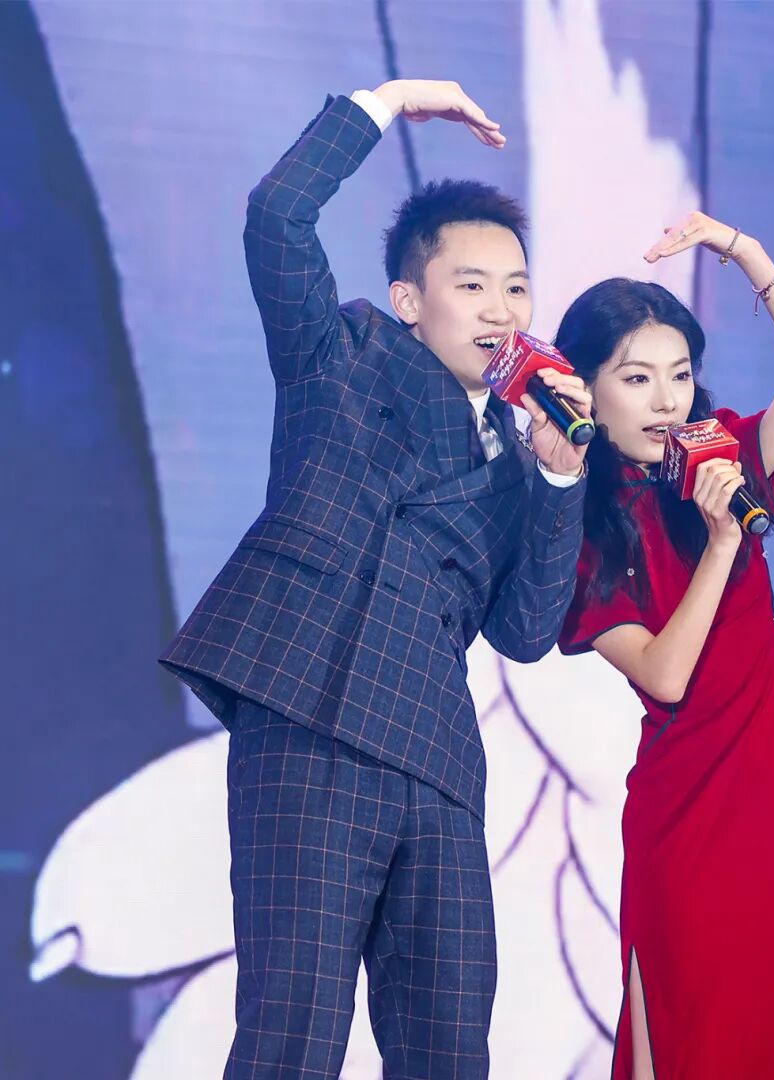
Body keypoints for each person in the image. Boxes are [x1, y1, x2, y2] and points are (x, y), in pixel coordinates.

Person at [160, 79, 591, 1079]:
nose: (501, 310)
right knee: (294, 1032)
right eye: (472, 285)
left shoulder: (523, 459)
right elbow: (277, 215)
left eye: (517, 289)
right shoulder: (342, 351)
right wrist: (386, 102)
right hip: (311, 718)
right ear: (410, 301)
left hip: (436, 758)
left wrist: (563, 477)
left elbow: (526, 631)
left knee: (448, 1049)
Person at [554, 214, 774, 1078]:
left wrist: (746, 252)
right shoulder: (583, 534)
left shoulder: (725, 460)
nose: (666, 400)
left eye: (680, 375)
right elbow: (665, 675)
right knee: (695, 1029)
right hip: (683, 818)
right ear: (586, 391)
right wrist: (720, 545)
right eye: (637, 378)